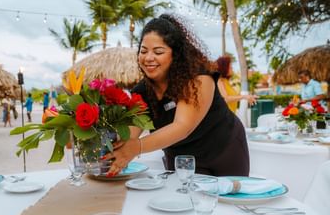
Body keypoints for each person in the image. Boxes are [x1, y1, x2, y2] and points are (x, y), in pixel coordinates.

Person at [105, 14, 250, 177]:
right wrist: (105, 140)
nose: (148, 58)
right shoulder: (142, 92)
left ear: (176, 54)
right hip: (182, 160)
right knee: (184, 200)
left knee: (228, 200)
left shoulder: (199, 78)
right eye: (143, 51)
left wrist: (137, 147)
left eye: (158, 51)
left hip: (224, 151)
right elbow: (128, 136)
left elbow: (182, 127)